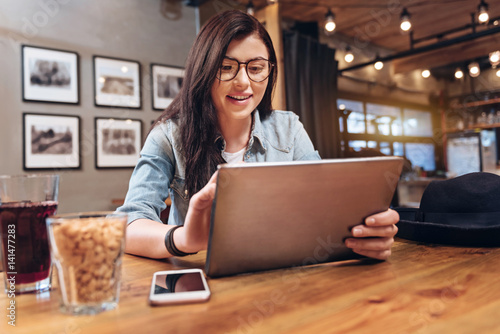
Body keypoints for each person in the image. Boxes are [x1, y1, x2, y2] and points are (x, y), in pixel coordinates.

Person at [118, 10, 399, 261]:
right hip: (203, 283)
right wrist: (183, 239)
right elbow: (128, 224)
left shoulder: (289, 129)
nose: (243, 82)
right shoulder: (168, 136)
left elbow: (323, 211)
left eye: (256, 68)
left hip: (280, 279)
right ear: (203, 70)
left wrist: (363, 233)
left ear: (269, 71)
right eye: (226, 67)